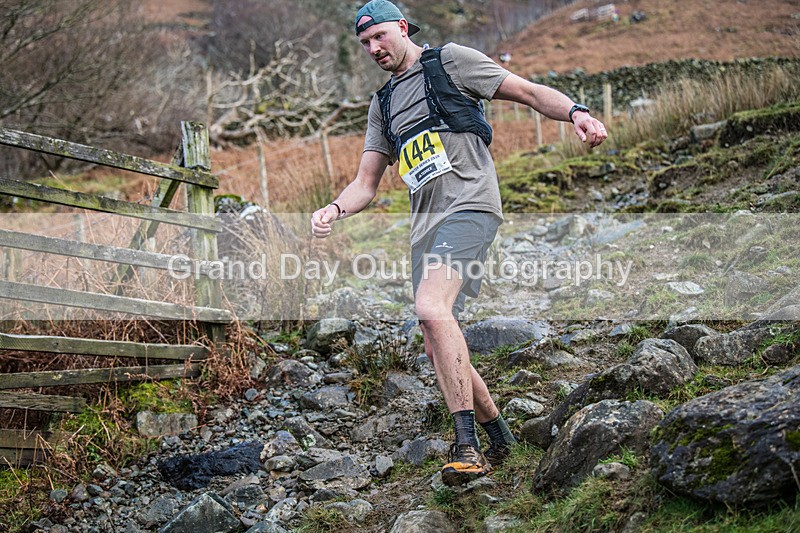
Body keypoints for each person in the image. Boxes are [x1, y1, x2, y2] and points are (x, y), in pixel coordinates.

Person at [311, 0, 607, 486]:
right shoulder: (382, 104)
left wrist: (576, 112)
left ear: (402, 28)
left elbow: (528, 91)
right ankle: (500, 436)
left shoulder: (452, 60)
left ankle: (466, 445)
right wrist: (334, 209)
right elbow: (366, 182)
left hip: (470, 205)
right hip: (425, 227)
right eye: (365, 43)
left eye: (380, 36)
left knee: (431, 307)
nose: (374, 48)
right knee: (434, 342)